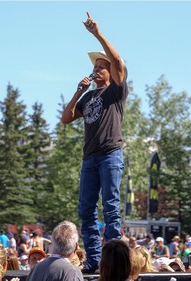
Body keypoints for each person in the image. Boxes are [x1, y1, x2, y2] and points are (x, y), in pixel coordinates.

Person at [61, 12, 128, 274]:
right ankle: (94, 261)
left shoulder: (116, 91)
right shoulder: (88, 98)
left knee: (110, 208)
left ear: (111, 72)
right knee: (86, 210)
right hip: (90, 159)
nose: (97, 69)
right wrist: (78, 91)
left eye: (102, 66)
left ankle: (115, 262)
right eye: (96, 66)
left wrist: (96, 33)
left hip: (111, 155)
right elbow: (67, 118)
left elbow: (119, 60)